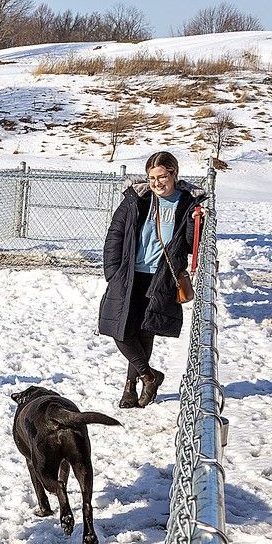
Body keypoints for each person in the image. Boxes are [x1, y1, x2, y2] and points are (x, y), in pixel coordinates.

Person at [98, 151, 206, 408]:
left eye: (162, 176)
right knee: (118, 329)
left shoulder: (187, 204)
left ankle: (130, 388)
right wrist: (113, 272)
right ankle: (149, 375)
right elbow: (115, 234)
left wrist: (193, 222)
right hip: (129, 275)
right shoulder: (137, 198)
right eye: (152, 177)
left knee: (144, 332)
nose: (157, 182)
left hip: (160, 277)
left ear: (174, 175)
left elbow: (191, 245)